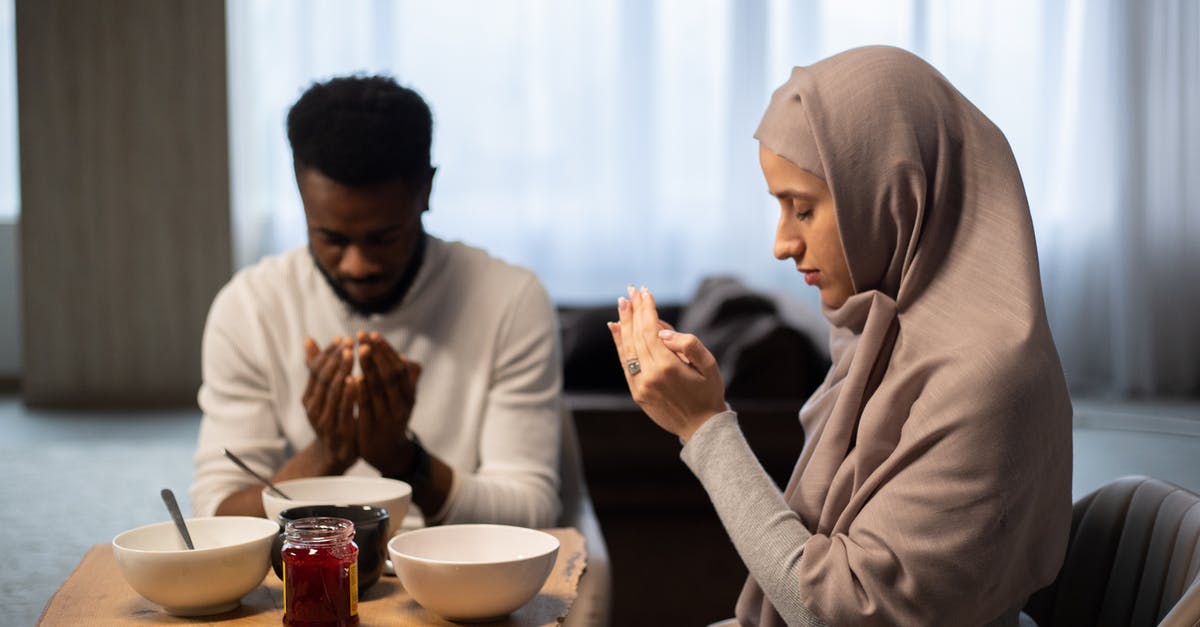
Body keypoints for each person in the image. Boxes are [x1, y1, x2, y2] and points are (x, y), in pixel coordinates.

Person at [609, 46, 1072, 626]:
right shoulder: (881, 337)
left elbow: (839, 613)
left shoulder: (985, 381)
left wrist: (704, 428)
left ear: (893, 193)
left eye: (801, 210)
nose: (782, 242)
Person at [190, 75, 563, 530]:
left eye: (384, 238)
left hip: (463, 573)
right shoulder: (248, 307)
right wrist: (326, 454)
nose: (357, 265)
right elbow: (216, 515)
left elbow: (533, 512)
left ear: (426, 190)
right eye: (330, 237)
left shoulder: (510, 300)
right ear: (301, 192)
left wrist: (404, 460)